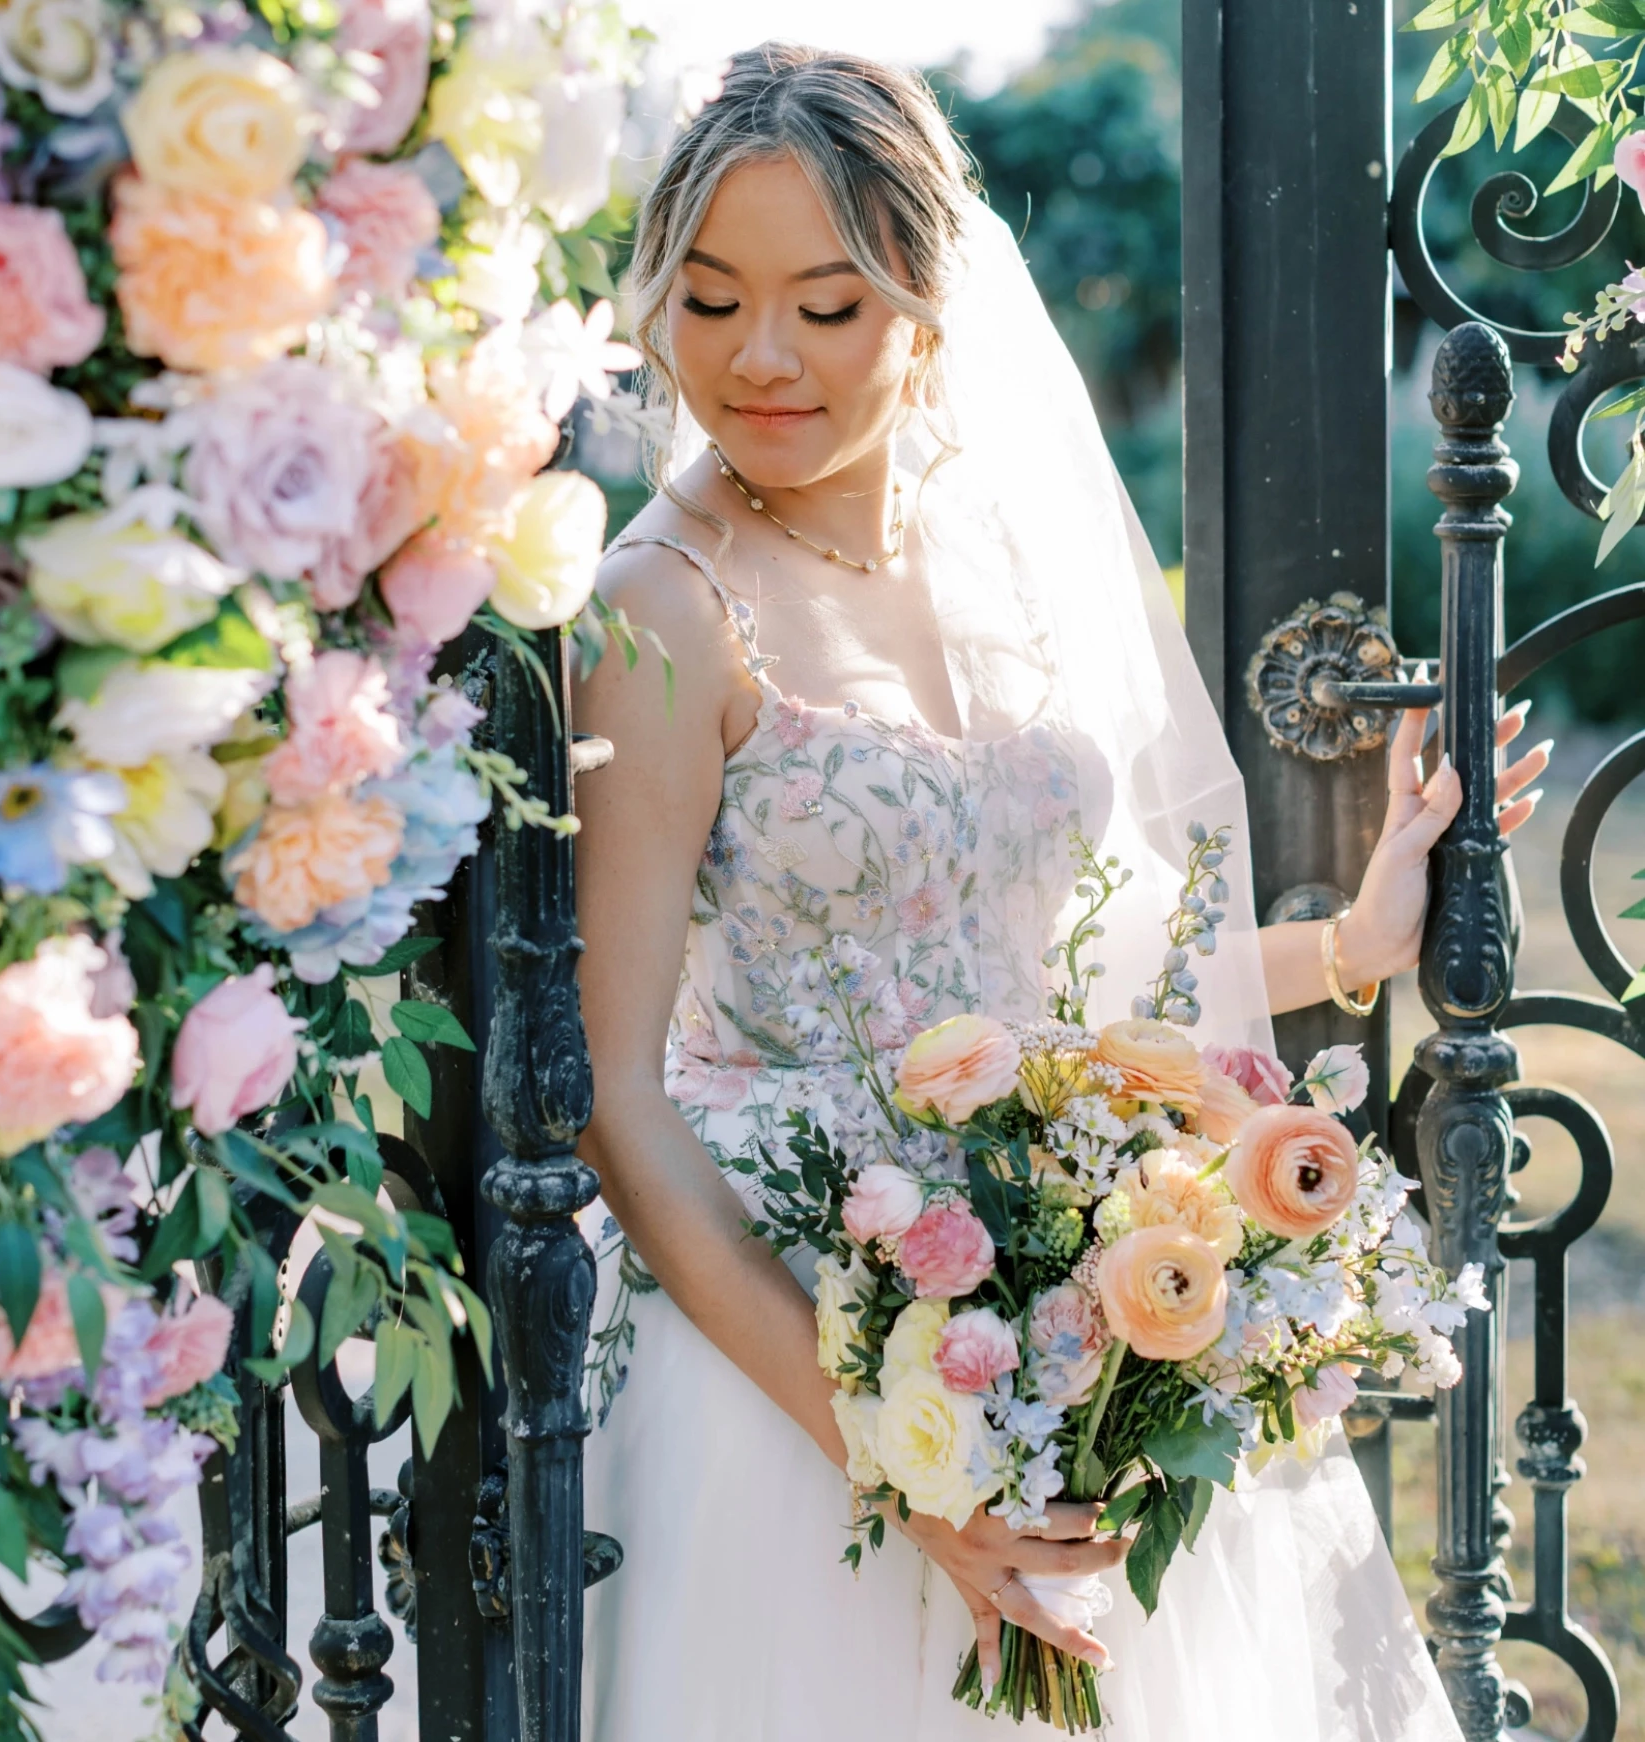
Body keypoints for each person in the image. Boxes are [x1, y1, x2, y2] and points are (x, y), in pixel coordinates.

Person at [574, 43, 1547, 1742]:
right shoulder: (658, 609)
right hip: (780, 1334)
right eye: (710, 298)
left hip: (1059, 1279)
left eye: (829, 302)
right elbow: (611, 1091)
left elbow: (1077, 984)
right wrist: (889, 1460)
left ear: (929, 307)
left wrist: (1351, 938)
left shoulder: (999, 550)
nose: (758, 356)